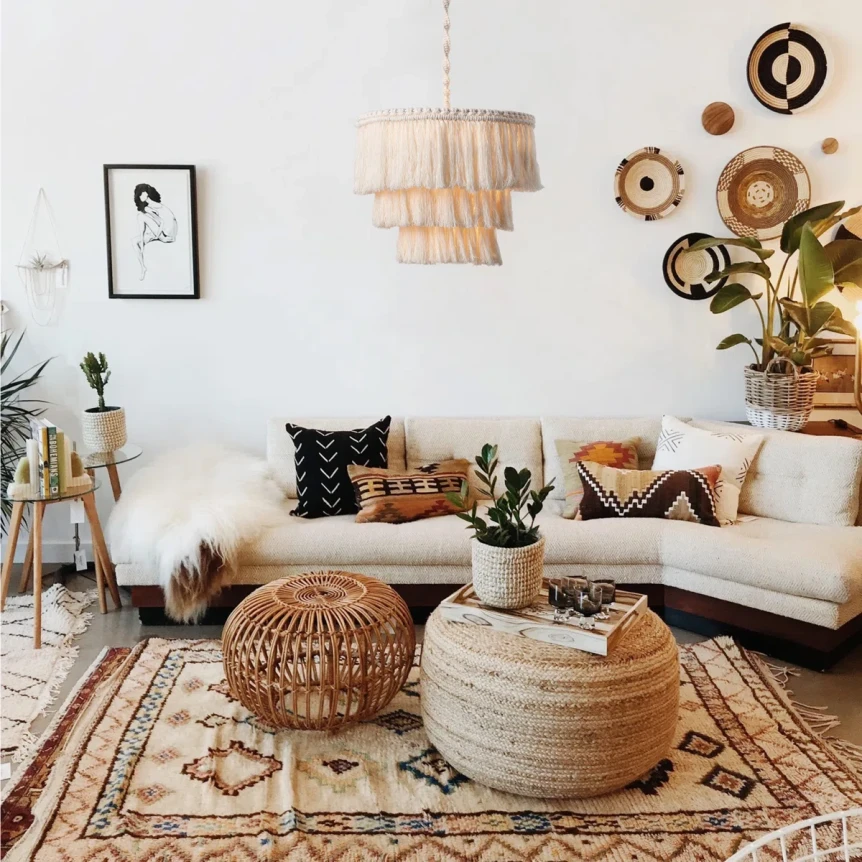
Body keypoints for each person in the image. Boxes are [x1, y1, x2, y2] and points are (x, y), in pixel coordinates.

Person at [133, 183, 178, 280]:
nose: (140, 197)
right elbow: (161, 222)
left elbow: (161, 222)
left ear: (146, 193)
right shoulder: (156, 205)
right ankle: (143, 268)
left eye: (141, 194)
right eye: (138, 195)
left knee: (140, 216)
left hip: (166, 235)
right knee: (134, 241)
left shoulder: (149, 207)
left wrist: (156, 235)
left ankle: (143, 266)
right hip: (168, 234)